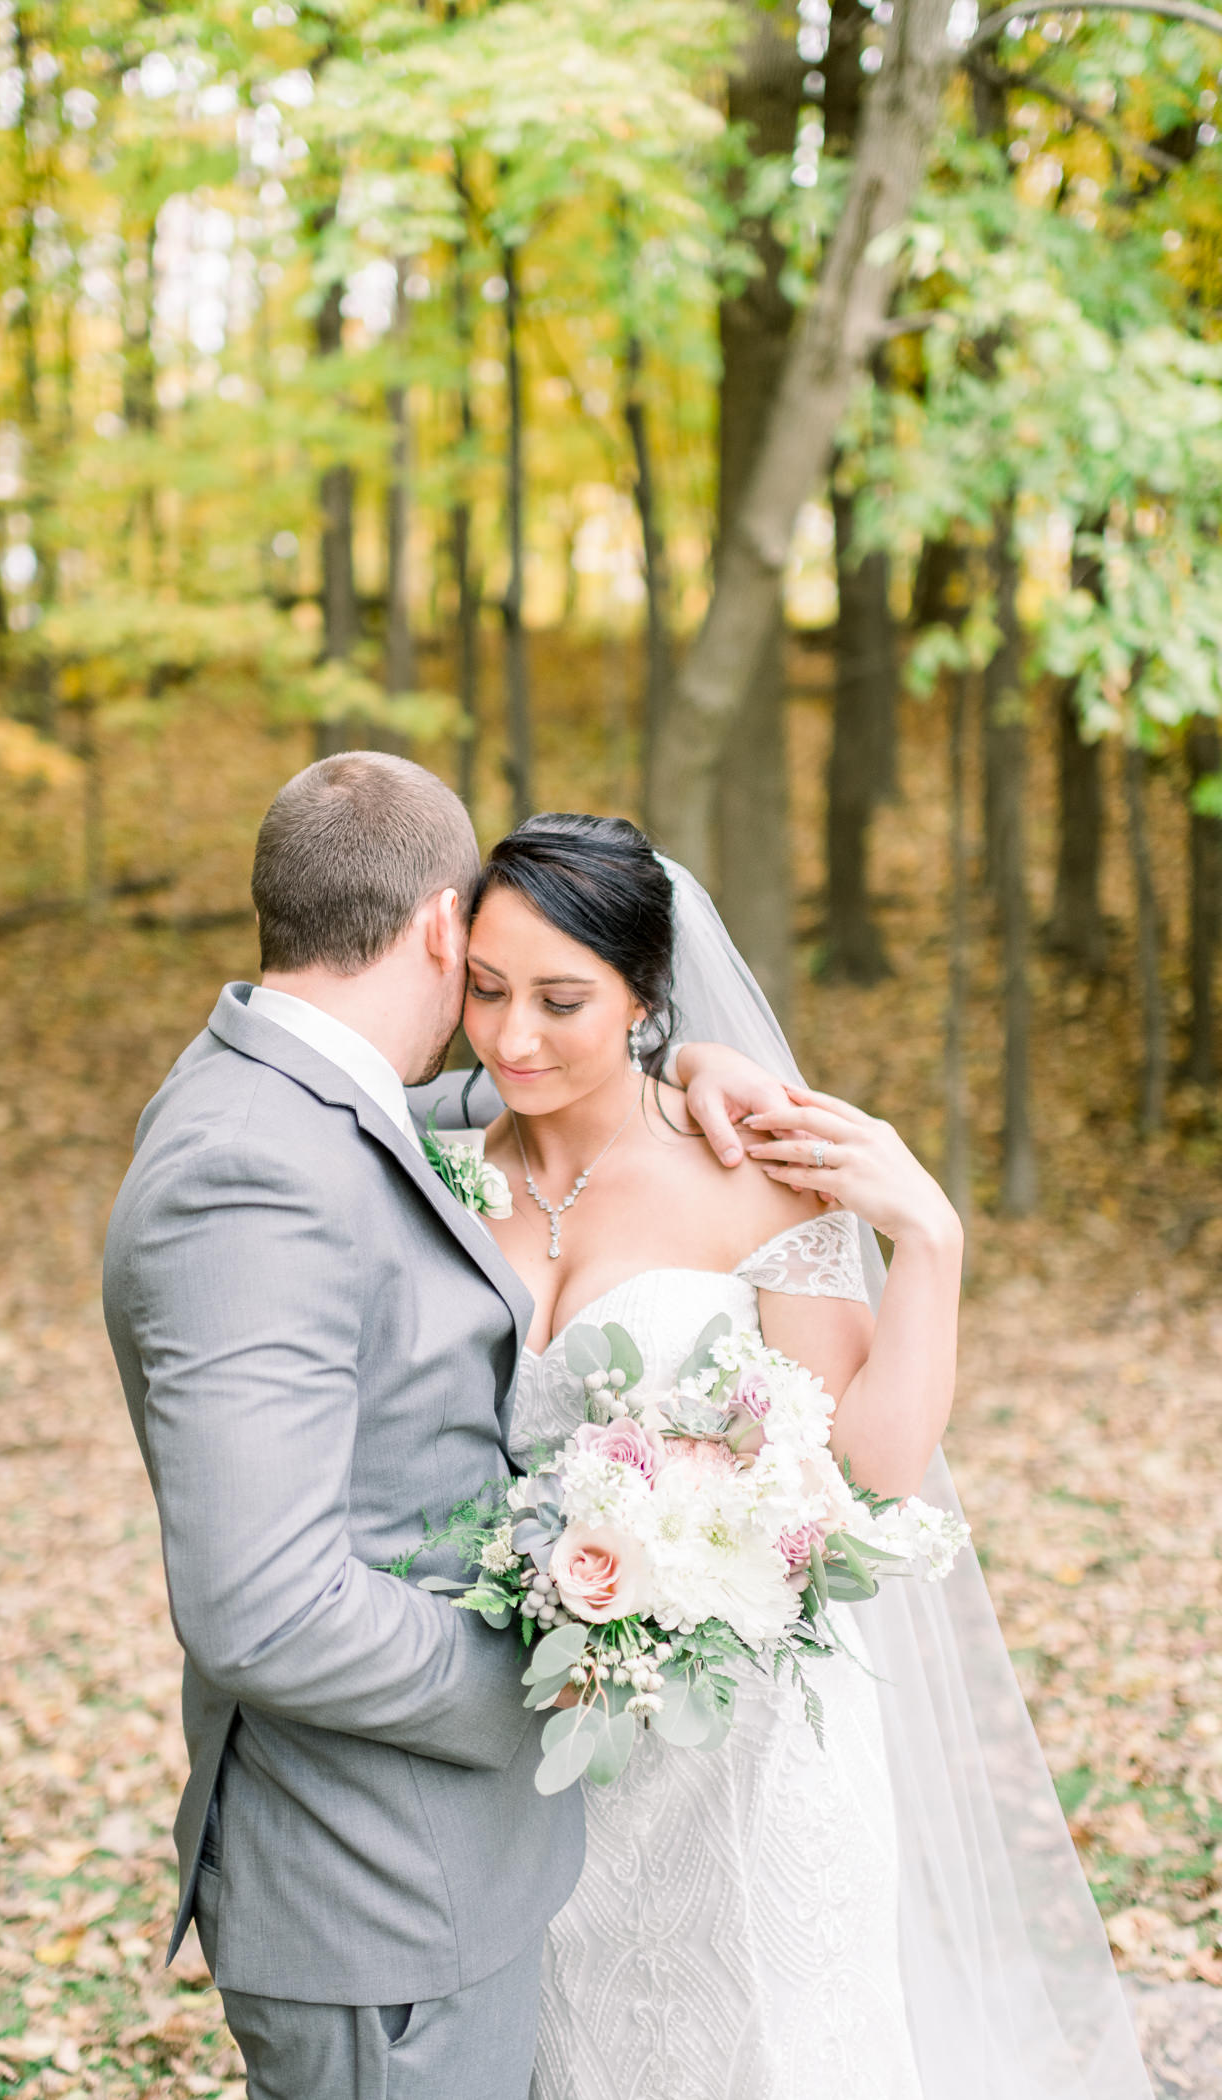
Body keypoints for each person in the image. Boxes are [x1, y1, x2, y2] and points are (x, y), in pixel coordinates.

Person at [101, 755, 801, 2100]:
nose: (496, 1020)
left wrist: (671, 1052)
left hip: (428, 1877)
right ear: (440, 927)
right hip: (373, 1897)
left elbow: (440, 1111)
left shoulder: (291, 1099)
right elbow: (264, 1609)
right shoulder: (253, 1169)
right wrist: (543, 1685)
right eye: (482, 972)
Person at [428, 811, 1154, 2100]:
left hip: (746, 1755)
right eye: (484, 991)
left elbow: (867, 1478)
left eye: (561, 999)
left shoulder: (755, 1172)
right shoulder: (435, 1172)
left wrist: (931, 1243)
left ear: (647, 997)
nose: (512, 1036)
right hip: (534, 1758)